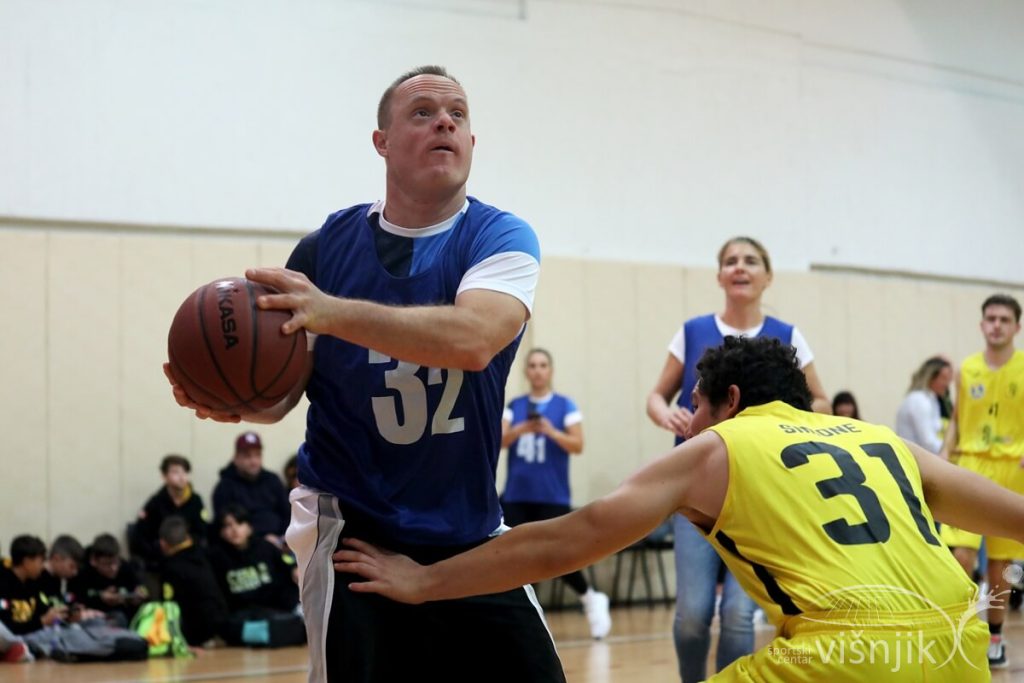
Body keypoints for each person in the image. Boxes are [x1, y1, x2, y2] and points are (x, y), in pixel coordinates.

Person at [164, 65, 563, 682]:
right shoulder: (324, 249)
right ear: (382, 141)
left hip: (470, 528)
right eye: (423, 112)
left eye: (457, 114)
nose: (445, 122)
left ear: (472, 141)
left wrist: (332, 311)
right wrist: (234, 401)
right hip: (351, 526)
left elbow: (474, 340)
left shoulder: (499, 236)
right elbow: (286, 393)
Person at [334, 336, 1022, 681]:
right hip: (957, 644)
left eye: (694, 404)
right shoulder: (883, 441)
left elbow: (563, 542)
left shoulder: (716, 447)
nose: (687, 421)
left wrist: (423, 581)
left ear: (729, 401)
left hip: (846, 653)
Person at [645, 236, 830, 682]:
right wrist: (665, 413)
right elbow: (655, 397)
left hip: (761, 492)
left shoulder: (787, 336)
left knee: (738, 614)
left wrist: (786, 420)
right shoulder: (692, 331)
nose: (740, 267)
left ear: (768, 277)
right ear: (719, 276)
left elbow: (821, 401)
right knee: (692, 615)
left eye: (750, 261)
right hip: (696, 492)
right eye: (730, 261)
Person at [500, 347, 610, 639]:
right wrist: (522, 429)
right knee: (516, 558)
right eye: (532, 365)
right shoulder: (515, 406)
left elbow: (577, 445)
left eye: (543, 365)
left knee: (557, 556)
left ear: (550, 370)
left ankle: (590, 598)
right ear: (526, 371)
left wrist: (550, 431)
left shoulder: (565, 406)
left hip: (552, 494)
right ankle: (524, 620)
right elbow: (499, 440)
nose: (537, 370)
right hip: (516, 494)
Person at [939, 293, 1024, 669]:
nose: (996, 325)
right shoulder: (966, 369)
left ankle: (995, 637)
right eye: (991, 318)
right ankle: (959, 631)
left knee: (1001, 565)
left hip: (1012, 469)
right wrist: (944, 454)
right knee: (960, 555)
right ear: (981, 324)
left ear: (1017, 327)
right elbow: (957, 420)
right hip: (971, 464)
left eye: (1004, 319)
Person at [209, 505, 305, 647]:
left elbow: (286, 563)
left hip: (276, 606)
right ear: (221, 532)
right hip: (244, 613)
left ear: (249, 527)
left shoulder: (265, 547)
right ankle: (285, 632)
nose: (235, 530)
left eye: (240, 523)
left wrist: (293, 568)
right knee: (229, 628)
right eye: (228, 526)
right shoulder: (214, 557)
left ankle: (285, 631)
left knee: (297, 612)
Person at [158, 516, 228, 647]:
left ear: (162, 543)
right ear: (188, 537)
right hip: (222, 621)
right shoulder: (206, 556)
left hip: (195, 632)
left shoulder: (170, 568)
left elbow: (169, 606)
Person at [211, 432, 290, 548]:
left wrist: (283, 538)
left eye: (257, 455)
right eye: (247, 456)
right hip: (245, 547)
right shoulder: (225, 487)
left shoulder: (272, 480)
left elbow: (287, 514)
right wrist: (261, 541)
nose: (254, 461)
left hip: (280, 542)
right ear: (236, 458)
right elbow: (224, 526)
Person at [133, 454, 209, 566]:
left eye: (185, 472)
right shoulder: (156, 502)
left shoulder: (196, 501)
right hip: (162, 559)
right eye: (176, 472)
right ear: (164, 476)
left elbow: (202, 531)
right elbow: (141, 535)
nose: (182, 477)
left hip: (190, 557)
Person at [71, 534, 148, 624]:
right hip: (95, 617)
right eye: (107, 564)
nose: (114, 568)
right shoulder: (82, 573)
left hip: (124, 615)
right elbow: (77, 601)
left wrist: (138, 597)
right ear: (93, 561)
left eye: (116, 562)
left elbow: (139, 589)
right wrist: (100, 598)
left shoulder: (125, 567)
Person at [0, 536, 65, 637]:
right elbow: (7, 628)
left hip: (33, 636)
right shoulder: (4, 584)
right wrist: (42, 622)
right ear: (27, 562)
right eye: (41, 561)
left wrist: (59, 613)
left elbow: (42, 609)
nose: (43, 566)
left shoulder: (33, 582)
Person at [895, 357, 954, 453]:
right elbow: (928, 442)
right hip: (913, 457)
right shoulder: (919, 401)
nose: (947, 384)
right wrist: (950, 450)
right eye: (944, 379)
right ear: (930, 378)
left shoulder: (931, 400)